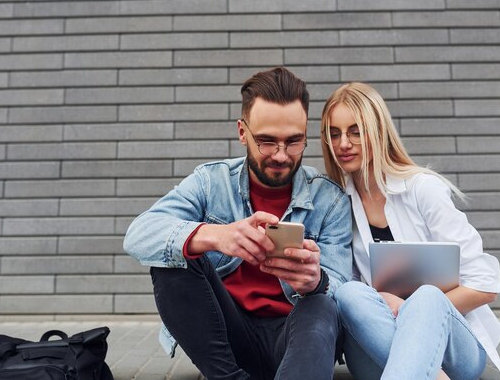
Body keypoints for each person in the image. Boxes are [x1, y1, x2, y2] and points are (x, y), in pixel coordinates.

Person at [124, 67, 353, 380]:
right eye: (267, 141)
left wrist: (317, 282)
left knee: (323, 305)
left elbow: (344, 289)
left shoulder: (330, 200)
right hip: (229, 341)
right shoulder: (211, 182)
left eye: (294, 141)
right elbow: (139, 234)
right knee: (175, 257)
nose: (282, 156)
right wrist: (214, 235)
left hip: (296, 340)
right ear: (243, 132)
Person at [320, 82, 500, 380]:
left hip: (452, 351)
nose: (343, 143)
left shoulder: (423, 189)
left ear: (378, 132)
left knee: (427, 297)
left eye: (356, 131)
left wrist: (409, 309)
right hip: (378, 348)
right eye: (334, 133)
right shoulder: (337, 203)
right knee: (350, 293)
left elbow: (485, 285)